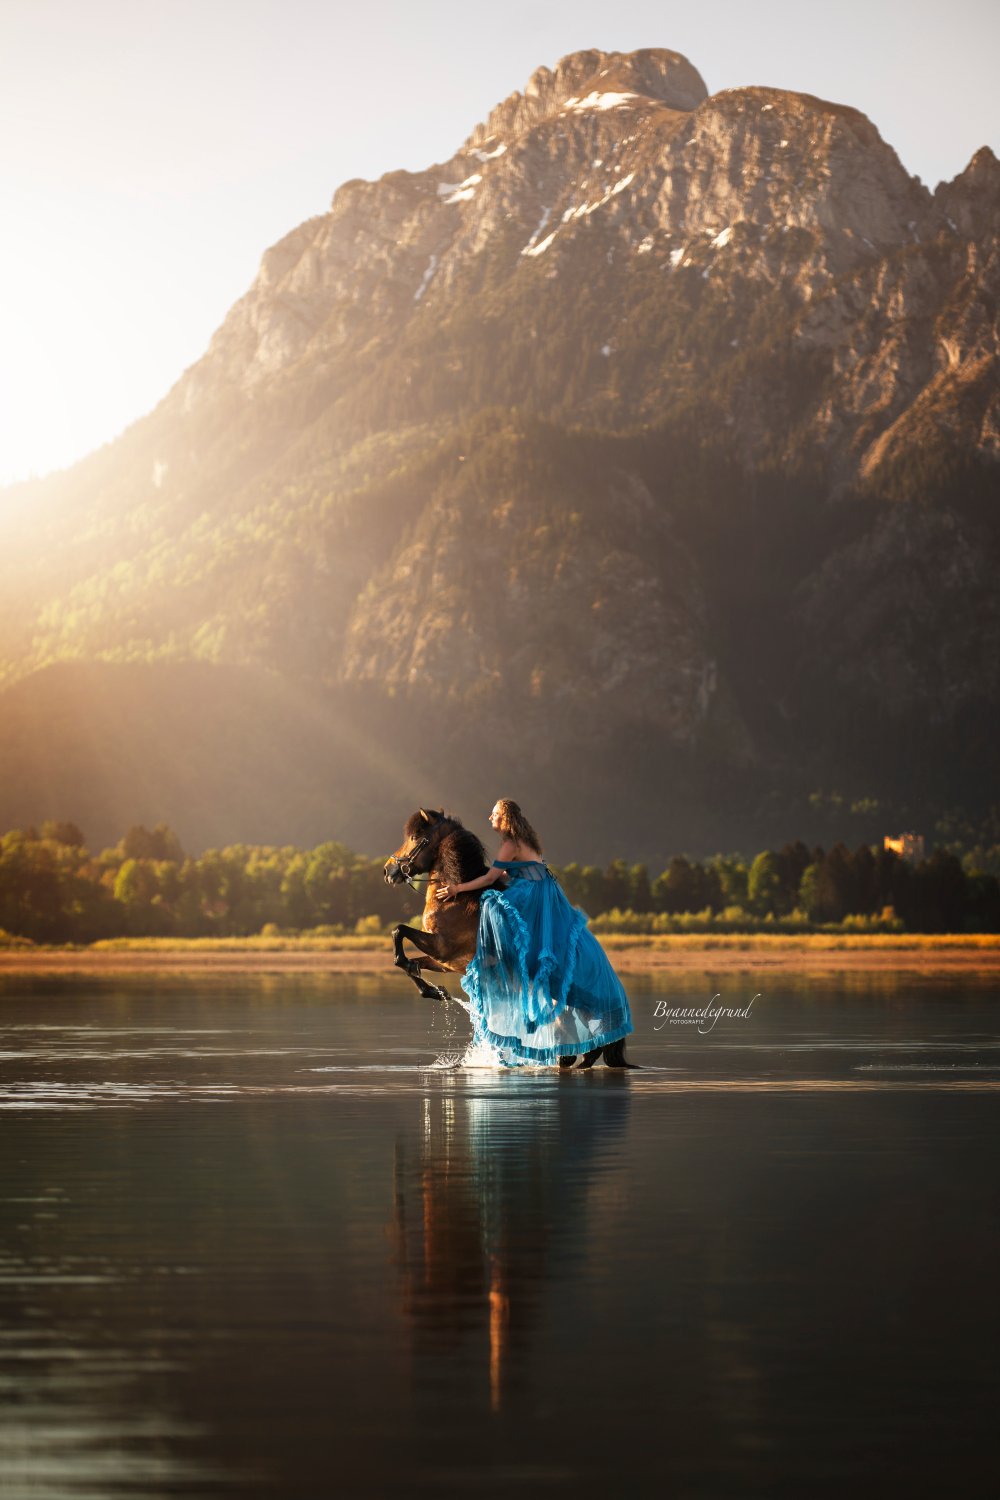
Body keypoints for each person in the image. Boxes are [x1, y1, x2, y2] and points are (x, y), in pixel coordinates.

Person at [436, 799, 635, 1067]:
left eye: (493, 814)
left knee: (492, 905)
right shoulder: (525, 840)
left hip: (533, 896)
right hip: (547, 893)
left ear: (504, 817)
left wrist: (456, 890)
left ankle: (494, 960)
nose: (489, 817)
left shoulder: (509, 844)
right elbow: (516, 873)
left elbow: (489, 879)